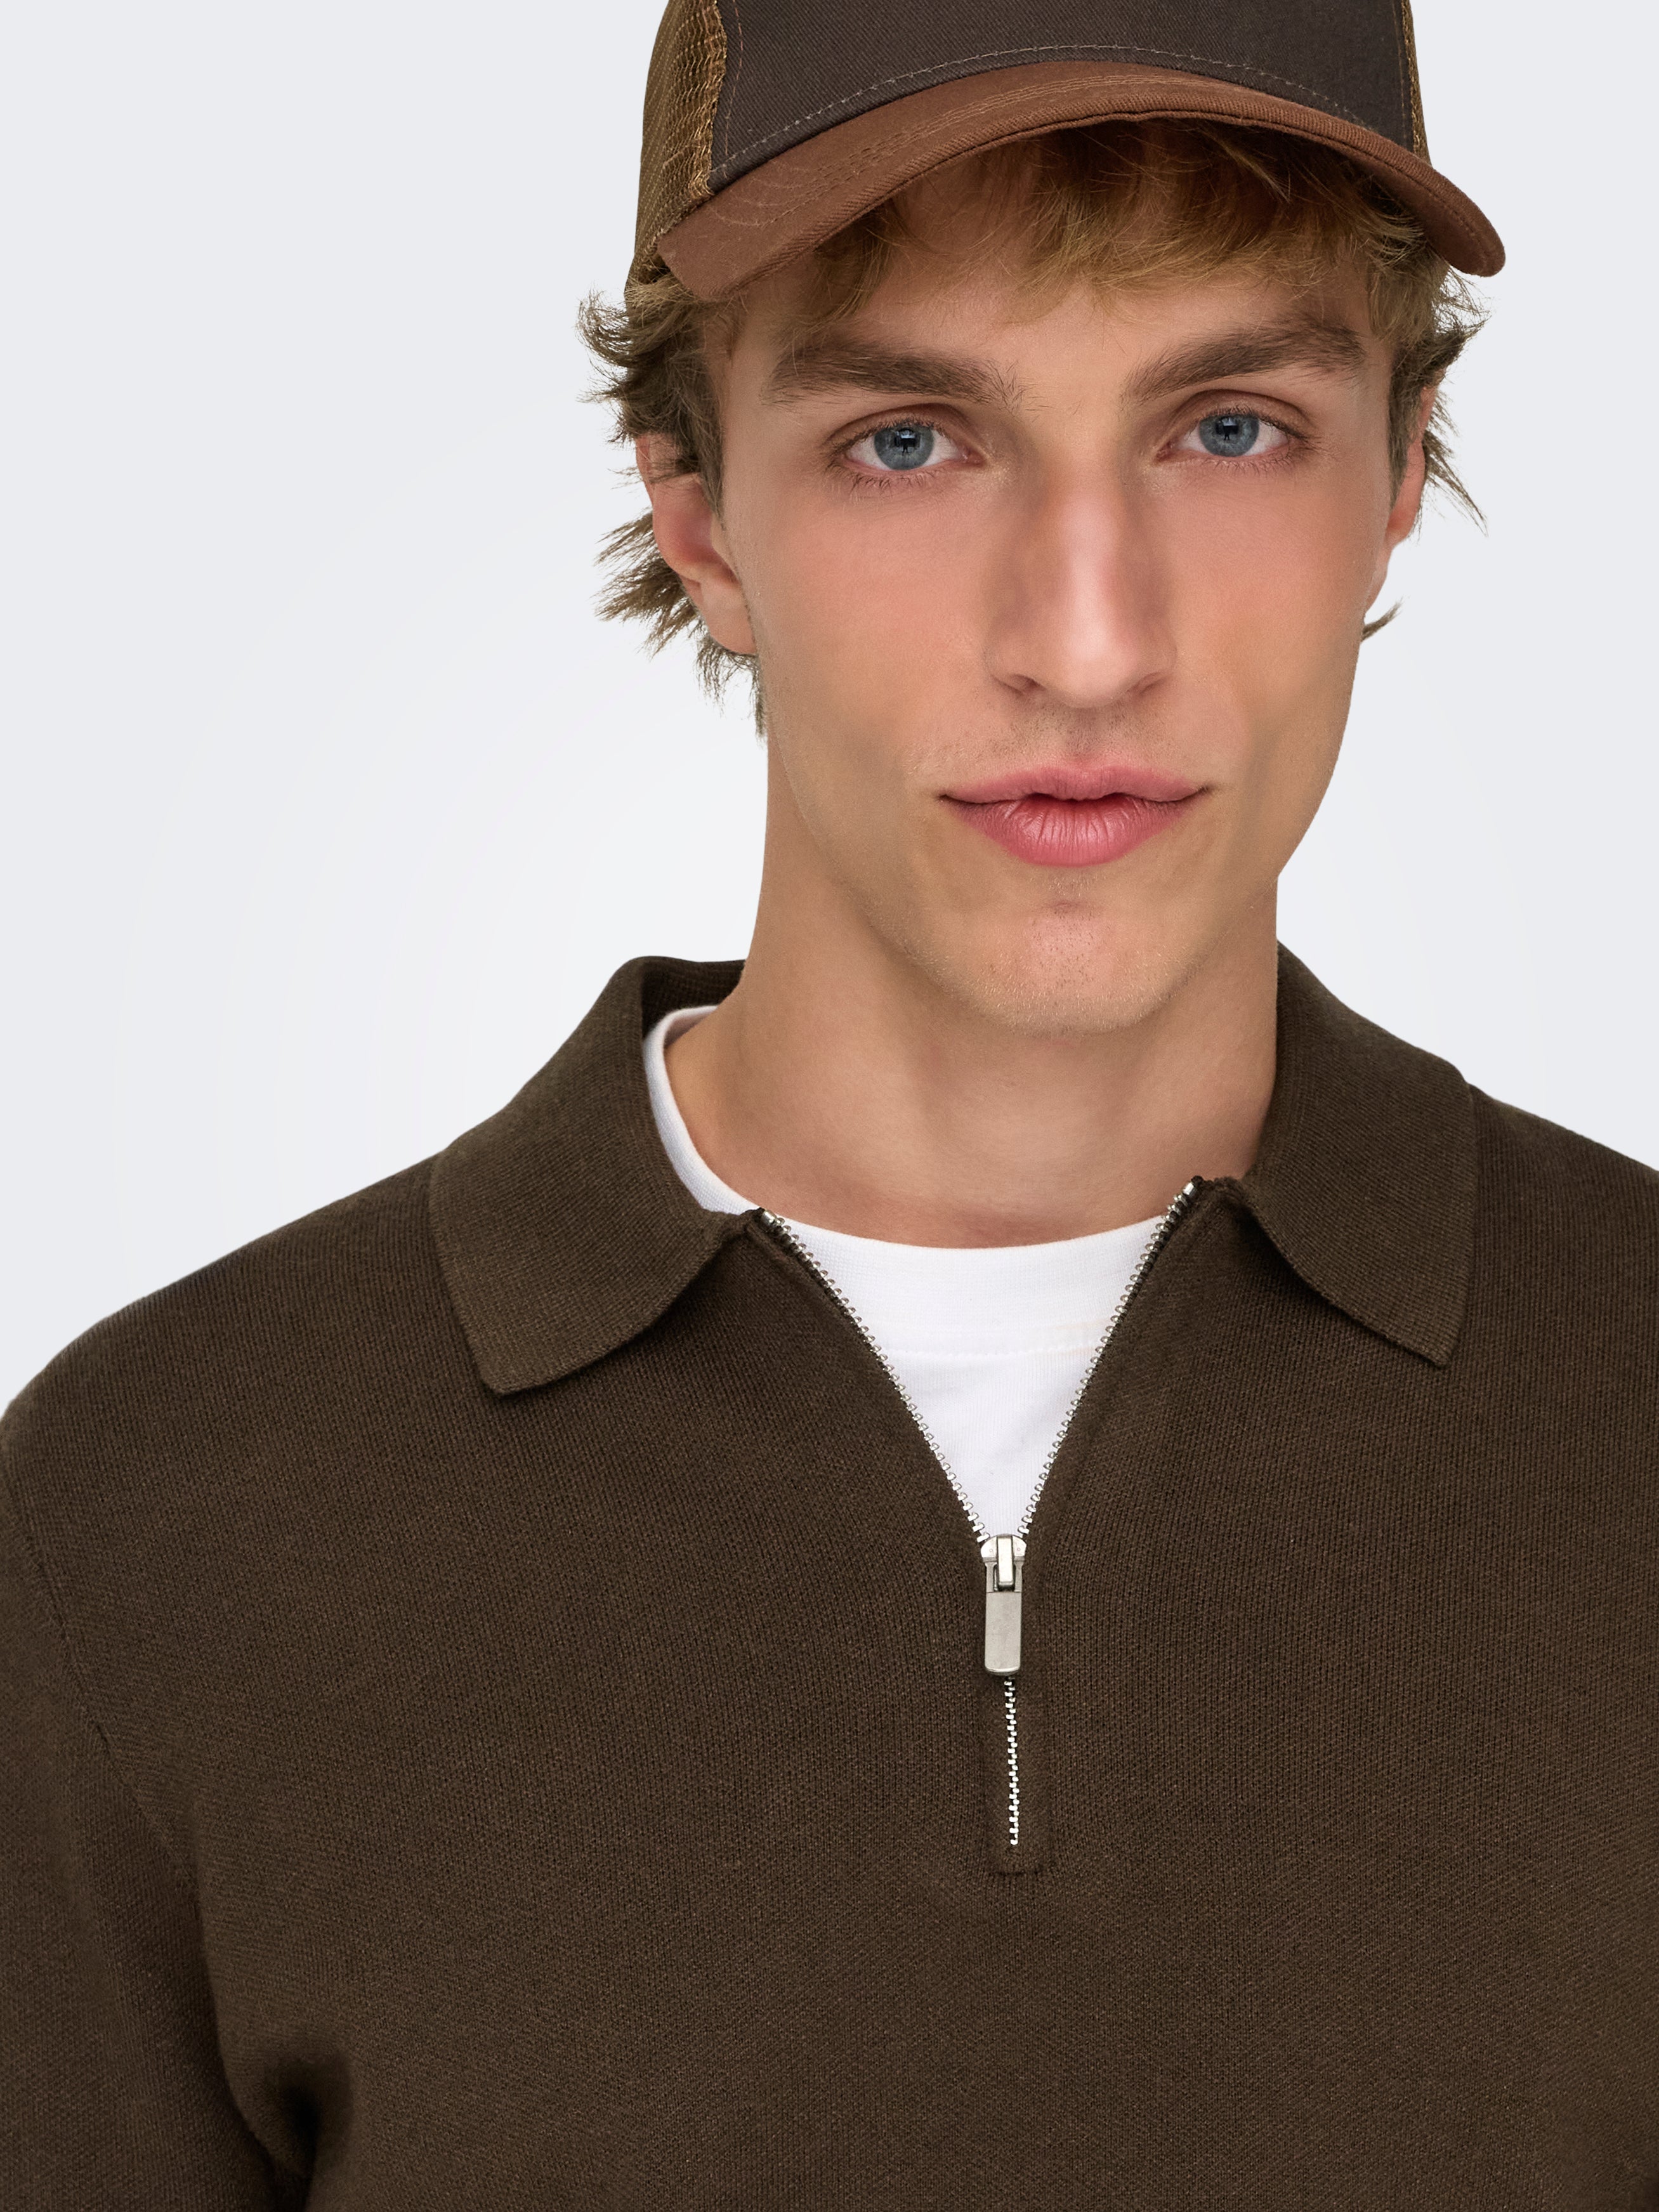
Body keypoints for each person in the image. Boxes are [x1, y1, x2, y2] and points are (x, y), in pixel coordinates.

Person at [5, 0, 1656, 2201]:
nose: (1087, 638)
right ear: (694, 506)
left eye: (1230, 428)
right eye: (909, 441)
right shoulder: (150, 1520)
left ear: (1399, 476)